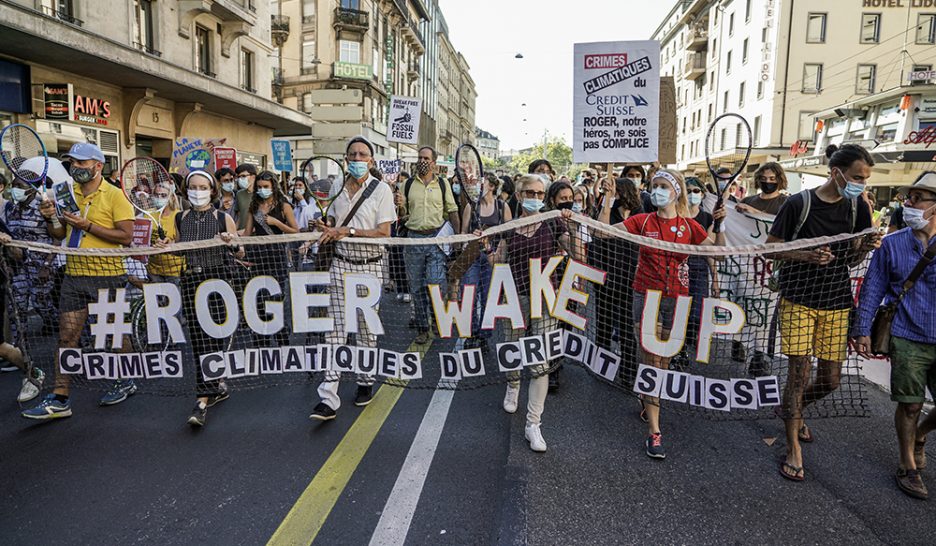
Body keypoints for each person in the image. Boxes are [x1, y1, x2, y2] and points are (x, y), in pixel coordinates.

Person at [766, 144, 881, 481]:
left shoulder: (858, 206)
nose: (861, 184)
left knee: (830, 380)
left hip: (836, 301)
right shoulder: (798, 204)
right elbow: (770, 249)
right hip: (798, 298)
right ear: (836, 173)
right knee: (798, 374)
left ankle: (794, 410)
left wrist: (865, 247)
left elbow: (852, 259)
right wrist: (807, 255)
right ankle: (793, 448)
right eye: (857, 177)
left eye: (865, 179)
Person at [606, 169, 726, 459]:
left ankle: (649, 397)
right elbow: (602, 231)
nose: (657, 191)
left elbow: (719, 254)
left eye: (663, 186)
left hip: (677, 299)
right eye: (655, 186)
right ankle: (655, 432)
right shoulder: (642, 221)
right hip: (646, 296)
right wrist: (607, 200)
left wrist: (720, 226)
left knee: (664, 361)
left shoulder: (689, 226)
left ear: (676, 191)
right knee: (651, 359)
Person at [22, 142, 135, 420]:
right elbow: (60, 234)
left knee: (114, 335)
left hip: (108, 275)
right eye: (72, 162)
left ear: (98, 166)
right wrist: (50, 219)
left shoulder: (116, 195)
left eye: (81, 163)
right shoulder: (65, 192)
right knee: (67, 337)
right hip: (74, 275)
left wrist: (89, 226)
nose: (76, 167)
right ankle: (60, 397)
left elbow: (126, 236)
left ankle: (126, 379)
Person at [852, 171, 936, 499]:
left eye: (917, 198)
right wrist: (862, 329)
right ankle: (907, 465)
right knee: (910, 405)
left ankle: (920, 436)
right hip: (906, 334)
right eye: (908, 197)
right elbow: (873, 287)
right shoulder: (892, 244)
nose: (908, 204)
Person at [309, 136, 396, 420]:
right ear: (346, 159)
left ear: (371, 160)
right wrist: (326, 226)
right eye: (353, 155)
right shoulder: (337, 186)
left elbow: (384, 232)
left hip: (370, 268)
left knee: (366, 331)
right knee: (335, 330)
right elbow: (334, 222)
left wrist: (349, 232)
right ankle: (328, 397)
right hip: (340, 265)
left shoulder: (382, 189)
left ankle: (365, 380)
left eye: (363, 154)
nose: (357, 159)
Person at [493, 174, 577, 452]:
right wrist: (481, 244)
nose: (536, 197)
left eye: (540, 193)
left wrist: (572, 227)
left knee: (540, 362)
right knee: (512, 348)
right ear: (519, 195)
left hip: (545, 298)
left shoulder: (554, 223)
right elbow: (498, 260)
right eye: (530, 192)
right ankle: (513, 385)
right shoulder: (510, 227)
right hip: (514, 297)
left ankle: (533, 423)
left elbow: (578, 254)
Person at [160, 170, 242, 426]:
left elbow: (240, 251)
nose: (197, 192)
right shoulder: (180, 217)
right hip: (190, 280)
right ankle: (207, 392)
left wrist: (230, 242)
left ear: (212, 190)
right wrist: (167, 245)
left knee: (215, 336)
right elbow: (179, 249)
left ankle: (206, 394)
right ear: (186, 190)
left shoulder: (223, 218)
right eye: (193, 187)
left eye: (203, 187)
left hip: (217, 280)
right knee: (197, 338)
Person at [396, 146, 459, 345]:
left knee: (435, 283)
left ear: (434, 162)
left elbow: (452, 210)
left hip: (435, 240)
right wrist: (400, 206)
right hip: (414, 240)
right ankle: (423, 327)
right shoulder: (406, 185)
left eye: (426, 158)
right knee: (416, 288)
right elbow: (402, 215)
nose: (422, 161)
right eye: (420, 158)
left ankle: (437, 319)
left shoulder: (442, 184)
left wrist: (457, 239)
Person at [3, 179, 55, 402]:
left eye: (20, 187)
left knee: (42, 303)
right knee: (17, 309)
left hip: (41, 266)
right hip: (18, 267)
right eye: (13, 186)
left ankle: (62, 330)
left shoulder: (44, 206)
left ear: (31, 189)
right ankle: (21, 354)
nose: (15, 191)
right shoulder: (11, 208)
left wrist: (47, 265)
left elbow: (57, 238)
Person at [243, 171, 299, 347]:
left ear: (273, 186)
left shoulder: (283, 206)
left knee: (276, 300)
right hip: (258, 257)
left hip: (277, 257)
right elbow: (247, 233)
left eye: (265, 187)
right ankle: (262, 342)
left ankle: (282, 341)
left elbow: (295, 231)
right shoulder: (254, 206)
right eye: (259, 187)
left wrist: (277, 223)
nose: (262, 190)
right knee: (259, 299)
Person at [460, 172, 511, 352]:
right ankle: (471, 333)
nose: (477, 186)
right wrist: (469, 238)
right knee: (469, 295)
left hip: (492, 257)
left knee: (489, 298)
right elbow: (462, 233)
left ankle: (484, 336)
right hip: (472, 256)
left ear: (492, 186)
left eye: (481, 183)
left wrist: (497, 250)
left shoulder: (502, 206)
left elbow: (508, 234)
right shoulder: (471, 206)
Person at [145, 183, 184, 285]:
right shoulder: (148, 214)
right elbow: (142, 239)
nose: (159, 198)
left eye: (163, 195)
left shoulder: (179, 215)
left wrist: (169, 243)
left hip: (174, 270)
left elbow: (183, 241)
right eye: (156, 195)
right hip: (153, 269)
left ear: (171, 197)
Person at [234, 163, 258, 232]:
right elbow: (240, 216)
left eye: (243, 176)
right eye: (238, 177)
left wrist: (247, 231)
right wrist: (234, 232)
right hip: (241, 234)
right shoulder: (239, 194)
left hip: (257, 234)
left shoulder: (261, 194)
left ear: (253, 177)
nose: (240, 179)